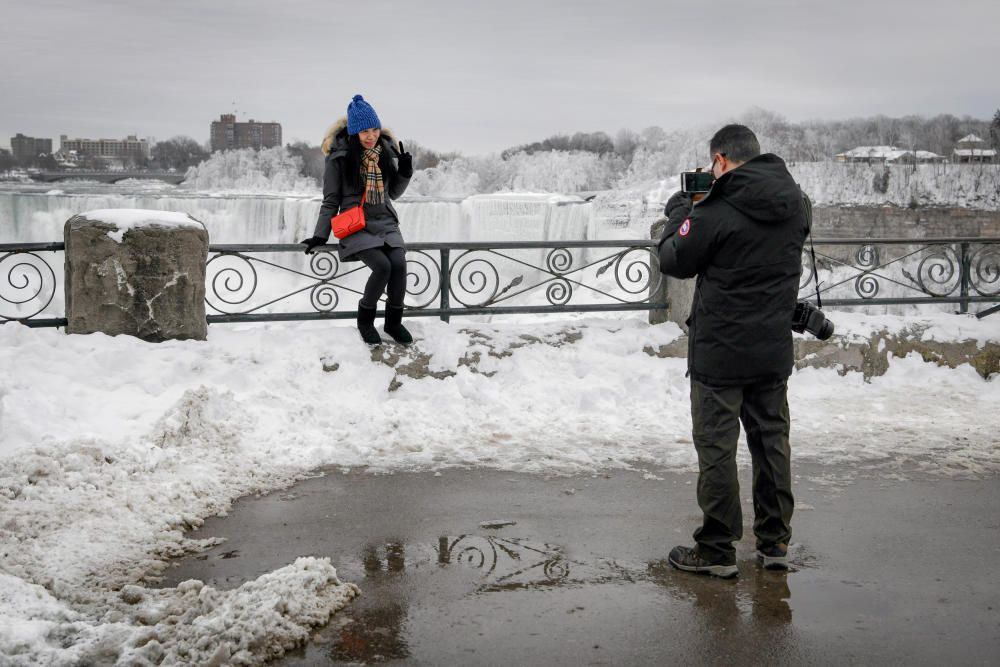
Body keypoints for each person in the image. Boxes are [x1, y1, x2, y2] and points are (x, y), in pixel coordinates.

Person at [657, 124, 809, 578]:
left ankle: (718, 549)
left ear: (720, 161)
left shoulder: (717, 210)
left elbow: (673, 258)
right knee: (771, 444)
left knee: (718, 448)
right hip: (772, 348)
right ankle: (775, 541)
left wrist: (681, 211)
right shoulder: (797, 204)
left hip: (720, 352)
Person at [301, 94, 414, 345]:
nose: (371, 135)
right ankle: (365, 320)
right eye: (364, 131)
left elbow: (392, 193)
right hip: (357, 224)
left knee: (399, 265)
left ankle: (393, 323)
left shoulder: (384, 152)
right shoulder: (338, 158)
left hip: (385, 221)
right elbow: (331, 200)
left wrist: (405, 172)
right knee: (383, 267)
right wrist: (321, 234)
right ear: (354, 132)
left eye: (374, 129)